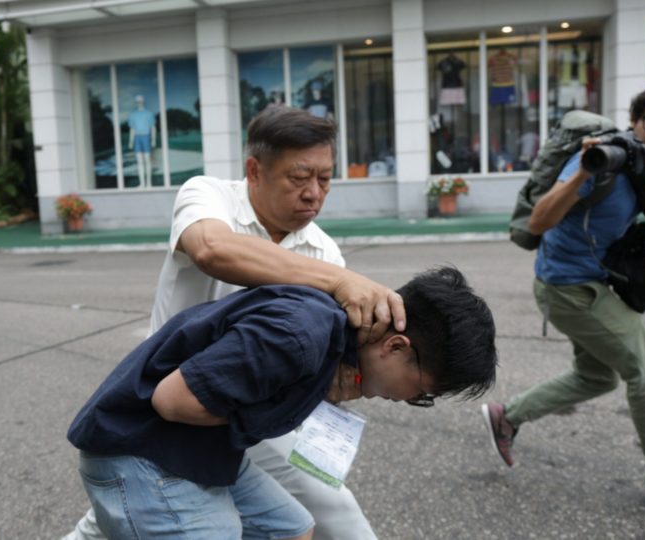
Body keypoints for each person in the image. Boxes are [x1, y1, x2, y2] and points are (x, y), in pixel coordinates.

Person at [64, 105, 406, 540]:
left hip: (247, 409)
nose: (314, 193)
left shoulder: (323, 251)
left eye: (325, 178)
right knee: (124, 511)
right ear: (254, 170)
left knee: (333, 511)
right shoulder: (208, 196)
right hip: (164, 402)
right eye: (300, 178)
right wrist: (339, 281)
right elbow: (211, 249)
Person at [69, 267, 498, 539]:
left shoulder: (333, 345)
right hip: (138, 451)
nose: (410, 400)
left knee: (291, 529)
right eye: (422, 392)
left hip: (190, 450)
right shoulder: (298, 336)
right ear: (397, 346)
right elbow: (172, 401)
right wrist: (281, 406)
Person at [481, 63, 645, 498]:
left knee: (597, 377)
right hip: (568, 289)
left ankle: (507, 415)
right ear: (635, 120)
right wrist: (582, 173)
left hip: (588, 282)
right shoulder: (601, 158)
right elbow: (538, 221)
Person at [127, 95, 156, 187]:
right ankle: (142, 183)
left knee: (147, 160)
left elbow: (153, 127)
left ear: (143, 102)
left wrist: (153, 140)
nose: (139, 103)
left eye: (141, 101)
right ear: (136, 102)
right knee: (139, 161)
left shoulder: (149, 114)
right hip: (137, 138)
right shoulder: (133, 115)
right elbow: (132, 129)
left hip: (146, 137)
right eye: (138, 101)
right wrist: (131, 141)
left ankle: (149, 183)